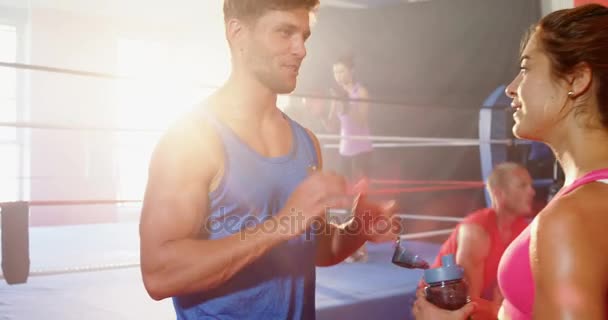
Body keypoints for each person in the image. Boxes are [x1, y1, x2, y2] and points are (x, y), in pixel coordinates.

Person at [138, 1, 398, 319]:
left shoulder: (306, 141)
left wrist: (358, 227)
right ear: (238, 34)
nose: (301, 49)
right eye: (284, 32)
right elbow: (158, 274)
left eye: (304, 35)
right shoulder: (192, 139)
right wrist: (281, 225)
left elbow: (317, 249)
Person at [413, 3, 608, 320]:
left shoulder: (571, 217)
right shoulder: (585, 199)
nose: (511, 88)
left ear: (576, 79)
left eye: (526, 68)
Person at [420, 162, 534, 318]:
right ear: (499, 193)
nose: (532, 192)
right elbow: (468, 305)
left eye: (530, 185)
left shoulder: (522, 231)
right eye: (522, 186)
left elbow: (510, 293)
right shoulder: (476, 232)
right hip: (440, 309)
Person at [324, 54, 374, 262]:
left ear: (351, 71)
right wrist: (330, 108)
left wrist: (346, 104)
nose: (338, 75)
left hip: (361, 151)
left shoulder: (360, 92)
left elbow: (362, 120)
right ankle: (345, 246)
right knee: (342, 198)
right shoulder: (337, 94)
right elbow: (332, 127)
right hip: (344, 150)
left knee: (359, 201)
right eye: (335, 72)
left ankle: (361, 248)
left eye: (342, 71)